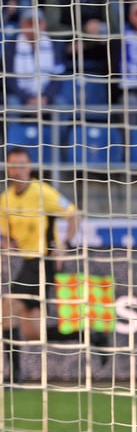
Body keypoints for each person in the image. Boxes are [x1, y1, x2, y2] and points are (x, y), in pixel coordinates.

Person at [1, 146, 79, 384]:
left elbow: (73, 214)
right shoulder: (5, 200)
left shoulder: (42, 192)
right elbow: (8, 236)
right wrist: (8, 244)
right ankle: (91, 336)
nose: (19, 169)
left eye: (23, 164)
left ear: (30, 167)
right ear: (8, 168)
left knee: (7, 308)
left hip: (44, 261)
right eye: (14, 165)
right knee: (32, 332)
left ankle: (14, 377)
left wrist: (64, 244)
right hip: (27, 261)